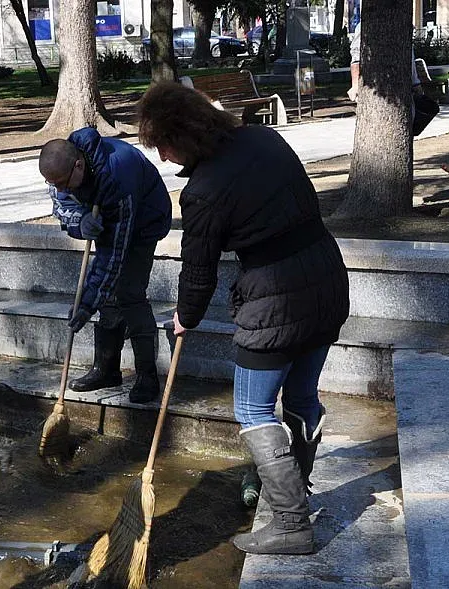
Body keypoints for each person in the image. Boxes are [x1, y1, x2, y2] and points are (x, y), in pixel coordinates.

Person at [137, 82, 350, 555]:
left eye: (164, 146)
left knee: (253, 410)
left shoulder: (204, 191)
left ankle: (292, 524)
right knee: (301, 395)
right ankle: (294, 492)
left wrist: (184, 318)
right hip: (327, 279)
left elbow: (198, 270)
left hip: (274, 300)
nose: (165, 158)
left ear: (182, 137)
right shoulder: (264, 138)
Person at [38, 129, 172, 404]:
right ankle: (106, 370)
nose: (60, 188)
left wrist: (87, 303)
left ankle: (147, 375)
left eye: (63, 183)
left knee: (129, 292)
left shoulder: (118, 174)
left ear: (79, 165)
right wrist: (80, 219)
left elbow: (114, 255)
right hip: (108, 214)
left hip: (145, 221)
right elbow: (60, 205)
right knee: (108, 295)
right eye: (55, 183)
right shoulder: (61, 169)